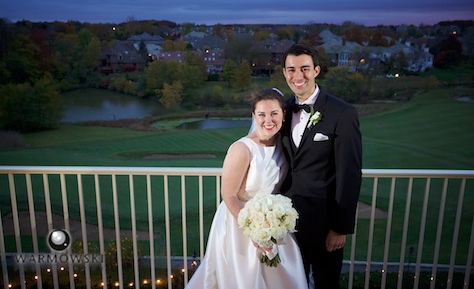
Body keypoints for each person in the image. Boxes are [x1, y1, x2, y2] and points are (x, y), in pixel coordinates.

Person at [185, 88, 309, 289]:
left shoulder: (283, 145)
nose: (268, 120)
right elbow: (229, 195)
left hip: (273, 223)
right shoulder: (242, 149)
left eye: (274, 113)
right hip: (239, 225)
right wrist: (255, 230)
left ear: (283, 115)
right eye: (261, 114)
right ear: (254, 116)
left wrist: (273, 225)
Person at [280, 43, 362, 289]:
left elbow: (349, 174)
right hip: (285, 225)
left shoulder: (342, 113)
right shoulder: (282, 110)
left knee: (326, 283)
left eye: (305, 68)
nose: (298, 76)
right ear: (284, 73)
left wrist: (340, 227)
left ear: (316, 70)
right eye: (291, 69)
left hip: (325, 225)